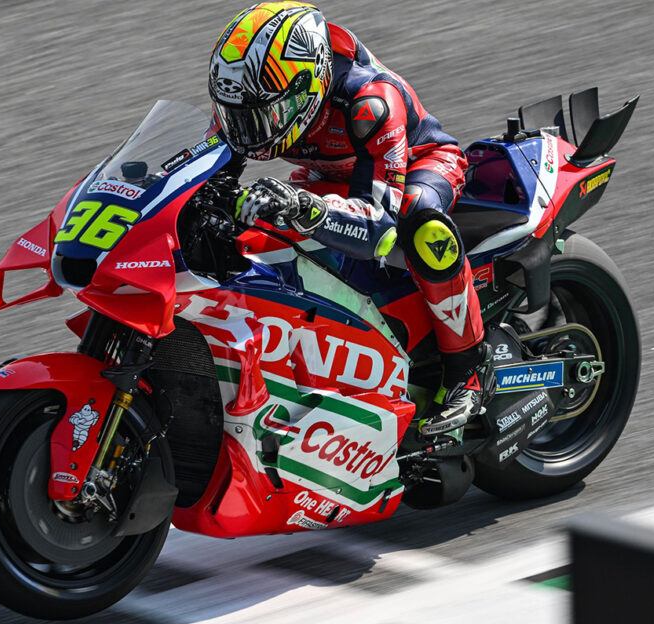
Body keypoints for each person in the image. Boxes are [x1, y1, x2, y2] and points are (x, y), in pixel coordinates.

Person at [208, 1, 494, 435]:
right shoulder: (246, 102)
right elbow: (204, 174)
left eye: (263, 115)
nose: (248, 131)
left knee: (422, 225)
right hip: (331, 174)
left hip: (417, 165)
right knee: (256, 228)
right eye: (237, 117)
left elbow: (379, 227)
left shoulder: (370, 104)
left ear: (307, 90)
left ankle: (468, 371)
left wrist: (306, 207)